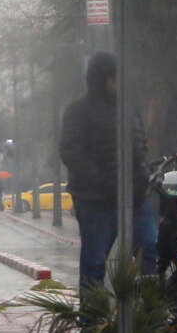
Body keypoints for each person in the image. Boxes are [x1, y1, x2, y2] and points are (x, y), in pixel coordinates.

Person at [60, 51, 156, 303]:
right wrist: (103, 181)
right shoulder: (78, 112)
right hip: (95, 202)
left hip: (134, 198)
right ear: (103, 79)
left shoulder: (128, 109)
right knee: (94, 263)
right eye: (114, 78)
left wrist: (142, 176)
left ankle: (148, 314)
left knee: (149, 250)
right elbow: (71, 152)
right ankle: (92, 321)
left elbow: (140, 146)